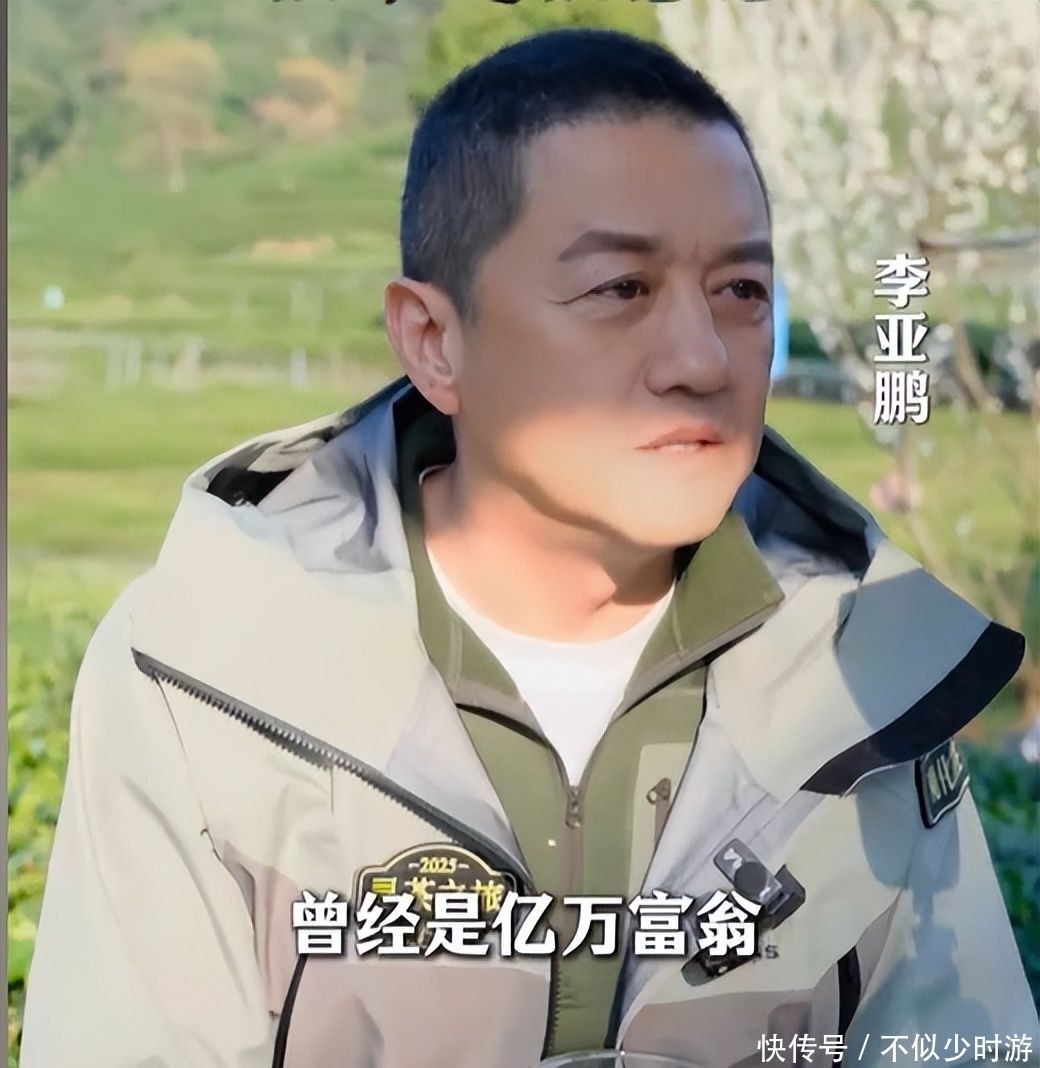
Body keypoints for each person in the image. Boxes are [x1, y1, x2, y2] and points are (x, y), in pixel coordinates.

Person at [21, 28, 1039, 1068]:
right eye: (619, 289)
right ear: (434, 341)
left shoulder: (868, 674)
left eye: (740, 291)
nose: (701, 359)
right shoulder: (202, 674)